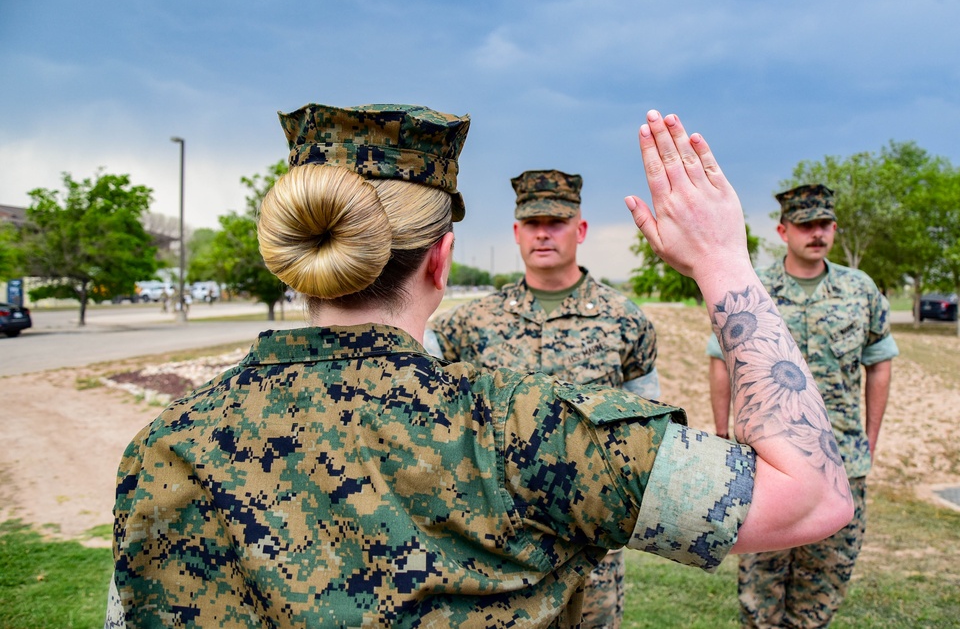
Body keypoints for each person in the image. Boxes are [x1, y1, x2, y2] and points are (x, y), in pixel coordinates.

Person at [107, 104, 854, 628]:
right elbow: (812, 499)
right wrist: (726, 263)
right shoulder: (532, 430)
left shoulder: (164, 448)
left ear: (301, 262)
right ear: (442, 257)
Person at [426, 169, 660, 628]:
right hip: (495, 556)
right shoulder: (466, 324)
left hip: (592, 553)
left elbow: (645, 430)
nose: (544, 233)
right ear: (516, 232)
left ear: (581, 229)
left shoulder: (626, 322)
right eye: (532, 224)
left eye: (556, 222)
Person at [706, 183, 898, 629]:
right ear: (783, 230)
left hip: (841, 463)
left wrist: (868, 439)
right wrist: (721, 431)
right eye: (806, 224)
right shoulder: (753, 289)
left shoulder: (860, 289)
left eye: (825, 224)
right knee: (761, 579)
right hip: (767, 463)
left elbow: (879, 363)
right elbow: (721, 363)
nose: (817, 233)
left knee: (825, 579)